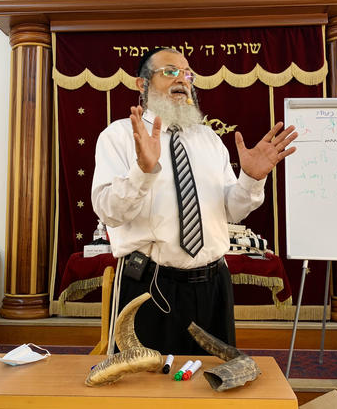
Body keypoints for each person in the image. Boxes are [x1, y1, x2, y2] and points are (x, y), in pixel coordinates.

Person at [91, 47, 298, 355]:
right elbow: (109, 212)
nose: (182, 81)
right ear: (141, 84)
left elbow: (233, 211)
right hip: (149, 286)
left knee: (212, 384)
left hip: (212, 286)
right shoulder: (119, 137)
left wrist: (252, 179)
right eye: (170, 72)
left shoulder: (209, 140)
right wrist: (142, 171)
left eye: (187, 74)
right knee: (146, 391)